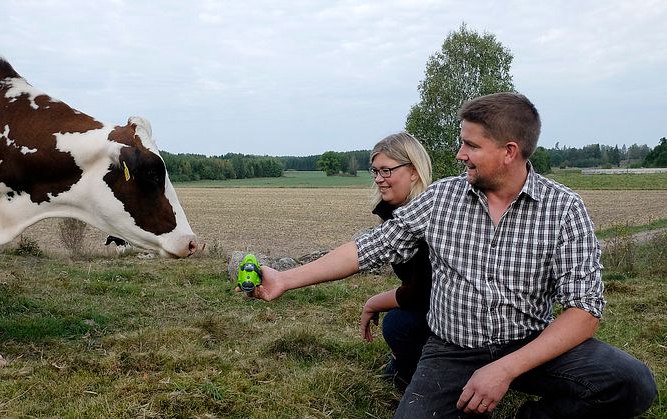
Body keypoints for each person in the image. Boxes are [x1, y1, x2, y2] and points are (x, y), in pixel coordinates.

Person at [251, 92, 657, 417]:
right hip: (452, 350)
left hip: (530, 344)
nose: (460, 154)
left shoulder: (565, 209)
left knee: (633, 384)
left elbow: (584, 310)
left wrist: (505, 369)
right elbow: (367, 249)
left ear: (509, 151)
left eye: (470, 145)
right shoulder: (442, 198)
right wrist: (285, 278)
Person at [359, 133, 433, 392]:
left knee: (397, 323)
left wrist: (373, 303)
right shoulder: (395, 213)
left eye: (386, 170)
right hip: (433, 307)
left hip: (457, 313)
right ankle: (406, 364)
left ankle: (424, 384)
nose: (378, 179)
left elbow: (424, 291)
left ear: (413, 172)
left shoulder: (427, 217)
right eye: (375, 171)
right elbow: (360, 253)